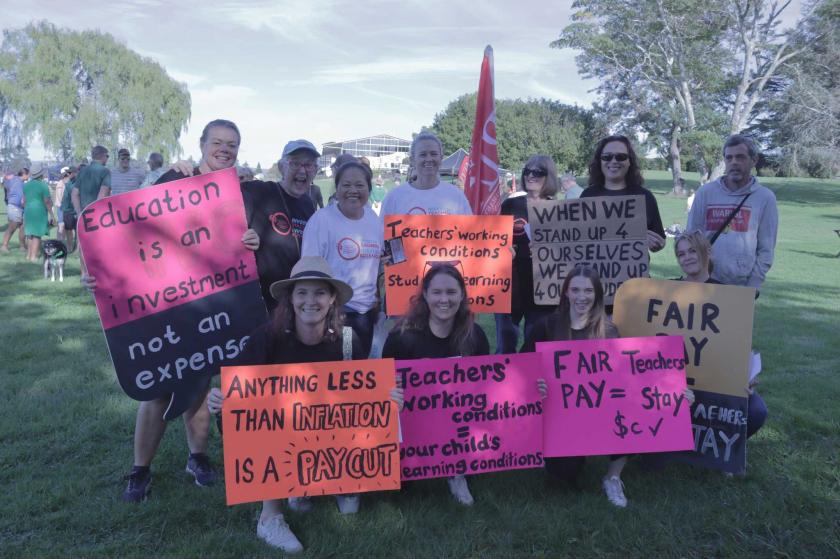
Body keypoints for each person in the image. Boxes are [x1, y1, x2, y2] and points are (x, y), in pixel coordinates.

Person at [90, 120, 259, 504]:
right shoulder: (172, 178)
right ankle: (140, 470)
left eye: (231, 143)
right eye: (217, 142)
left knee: (199, 385)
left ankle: (197, 458)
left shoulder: (239, 190)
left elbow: (244, 240)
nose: (224, 149)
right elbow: (126, 225)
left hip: (213, 304)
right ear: (202, 144)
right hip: (164, 304)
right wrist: (98, 273)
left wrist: (253, 239)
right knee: (157, 389)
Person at [207, 256, 402, 553]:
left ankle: (328, 480)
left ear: (332, 298)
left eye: (320, 292)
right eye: (302, 292)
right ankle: (270, 515)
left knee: (350, 506)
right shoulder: (266, 339)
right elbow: (239, 405)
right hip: (282, 431)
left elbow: (365, 403)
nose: (310, 301)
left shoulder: (349, 341)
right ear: (290, 299)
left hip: (328, 435)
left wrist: (388, 403)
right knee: (262, 419)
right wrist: (219, 402)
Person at [521, 267, 632, 507]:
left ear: (597, 295)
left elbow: (624, 378)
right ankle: (551, 451)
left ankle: (613, 477)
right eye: (576, 290)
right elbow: (522, 366)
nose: (582, 297)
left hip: (598, 412)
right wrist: (535, 384)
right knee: (563, 473)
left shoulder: (609, 331)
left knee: (631, 415)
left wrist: (672, 393)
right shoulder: (547, 326)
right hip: (558, 415)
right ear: (566, 293)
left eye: (588, 291)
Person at [382, 264, 490, 506]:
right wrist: (392, 393)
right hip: (412, 418)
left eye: (451, 292)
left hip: (458, 421)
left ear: (462, 295)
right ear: (426, 295)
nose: (444, 299)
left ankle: (456, 471)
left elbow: (486, 387)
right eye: (437, 292)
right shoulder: (401, 337)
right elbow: (385, 383)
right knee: (401, 485)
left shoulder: (475, 336)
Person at [673, 230, 766, 439]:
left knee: (757, 411)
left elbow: (737, 343)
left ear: (708, 252)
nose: (687, 257)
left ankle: (725, 449)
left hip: (715, 378)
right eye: (681, 254)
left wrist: (748, 376)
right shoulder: (666, 290)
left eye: (692, 251)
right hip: (677, 380)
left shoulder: (728, 295)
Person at [302, 160, 383, 356]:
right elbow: (309, 270)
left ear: (369, 189)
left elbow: (379, 263)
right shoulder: (321, 220)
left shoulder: (374, 219)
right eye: (346, 185)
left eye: (359, 185)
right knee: (347, 366)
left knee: (361, 369)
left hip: (367, 314)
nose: (353, 190)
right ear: (336, 189)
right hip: (338, 314)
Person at [686, 134, 778, 290]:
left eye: (740, 157)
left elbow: (766, 248)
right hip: (704, 282)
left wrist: (754, 284)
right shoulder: (705, 193)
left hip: (741, 286)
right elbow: (691, 238)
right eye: (729, 158)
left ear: (753, 160)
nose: (734, 162)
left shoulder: (765, 198)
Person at [240, 139, 319, 311]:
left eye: (309, 165)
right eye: (295, 163)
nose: (302, 170)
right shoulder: (259, 191)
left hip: (298, 302)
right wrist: (184, 173)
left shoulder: (308, 203)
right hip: (264, 303)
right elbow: (217, 195)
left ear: (315, 171)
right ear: (281, 167)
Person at [495, 155, 558, 354]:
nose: (531, 175)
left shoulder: (559, 210)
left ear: (549, 177)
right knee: (505, 345)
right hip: (509, 284)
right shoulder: (509, 205)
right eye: (527, 171)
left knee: (535, 345)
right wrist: (501, 250)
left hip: (543, 287)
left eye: (538, 172)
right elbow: (492, 241)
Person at [582, 135, 665, 253]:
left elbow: (660, 240)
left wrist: (655, 243)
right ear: (600, 161)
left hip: (634, 271)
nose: (613, 161)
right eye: (607, 157)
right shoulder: (588, 195)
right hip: (595, 270)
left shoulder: (645, 196)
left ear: (629, 161)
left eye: (621, 157)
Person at [381, 131, 471, 216]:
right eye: (423, 154)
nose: (429, 159)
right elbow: (381, 231)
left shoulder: (456, 196)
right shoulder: (394, 197)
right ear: (412, 160)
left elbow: (468, 229)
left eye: (434, 154)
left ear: (441, 158)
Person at [22, 164, 54, 262]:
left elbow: (24, 201)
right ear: (41, 174)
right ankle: (33, 257)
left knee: (30, 234)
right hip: (39, 211)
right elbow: (47, 201)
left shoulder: (26, 185)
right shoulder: (43, 186)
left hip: (28, 210)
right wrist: (52, 215)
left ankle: (29, 255)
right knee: (37, 234)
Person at [71, 145, 111, 214]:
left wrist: (79, 213)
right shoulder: (105, 171)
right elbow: (102, 195)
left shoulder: (82, 171)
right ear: (103, 156)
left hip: (84, 216)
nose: (107, 158)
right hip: (98, 215)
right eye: (107, 156)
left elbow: (74, 194)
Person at [0, 167, 28, 253]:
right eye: (28, 175)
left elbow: (5, 184)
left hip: (19, 207)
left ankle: (22, 246)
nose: (28, 176)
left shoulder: (16, 180)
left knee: (23, 227)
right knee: (12, 227)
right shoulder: (18, 182)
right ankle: (4, 246)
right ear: (24, 175)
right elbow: (21, 197)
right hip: (14, 207)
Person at [60, 164, 84, 252]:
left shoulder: (74, 184)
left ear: (76, 173)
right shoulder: (69, 183)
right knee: (68, 231)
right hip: (67, 210)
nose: (68, 174)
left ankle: (78, 249)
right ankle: (70, 249)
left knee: (78, 231)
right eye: (68, 173)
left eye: (70, 173)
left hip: (74, 210)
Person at [53, 167, 73, 242]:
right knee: (61, 225)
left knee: (66, 226)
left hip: (65, 207)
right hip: (62, 207)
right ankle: (60, 242)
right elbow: (60, 197)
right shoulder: (61, 184)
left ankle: (66, 242)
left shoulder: (67, 183)